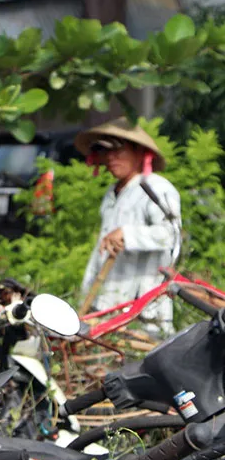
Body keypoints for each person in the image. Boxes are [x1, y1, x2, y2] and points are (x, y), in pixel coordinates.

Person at [75, 116, 181, 332]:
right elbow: (102, 248)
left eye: (119, 151)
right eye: (106, 152)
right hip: (107, 301)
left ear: (140, 152)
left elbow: (170, 236)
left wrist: (127, 234)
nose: (111, 158)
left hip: (143, 307)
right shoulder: (111, 195)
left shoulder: (156, 188)